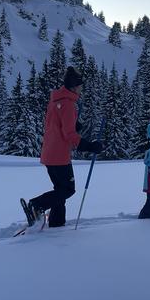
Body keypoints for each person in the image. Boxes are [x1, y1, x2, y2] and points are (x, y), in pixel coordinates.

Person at [23, 66, 103, 228]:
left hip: (49, 153)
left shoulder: (56, 101)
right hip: (59, 156)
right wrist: (90, 146)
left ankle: (57, 224)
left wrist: (74, 125)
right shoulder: (67, 104)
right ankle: (36, 205)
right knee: (67, 189)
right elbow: (69, 135)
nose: (81, 89)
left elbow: (57, 125)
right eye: (80, 86)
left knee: (60, 189)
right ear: (74, 86)